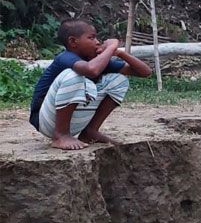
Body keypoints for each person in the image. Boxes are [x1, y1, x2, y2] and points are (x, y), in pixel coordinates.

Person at [28, 19, 152, 150]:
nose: (97, 42)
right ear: (73, 41)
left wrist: (119, 52)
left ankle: (90, 131)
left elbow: (145, 72)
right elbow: (91, 70)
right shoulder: (65, 58)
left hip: (76, 121)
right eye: (91, 38)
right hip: (47, 121)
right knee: (74, 75)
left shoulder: (95, 61)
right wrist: (110, 48)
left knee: (119, 80)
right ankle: (60, 135)